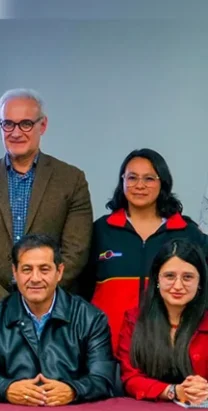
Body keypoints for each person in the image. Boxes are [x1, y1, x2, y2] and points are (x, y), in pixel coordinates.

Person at [0, 88, 93, 334]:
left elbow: (76, 251)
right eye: (8, 124)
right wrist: (7, 307)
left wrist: (39, 300)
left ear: (43, 125)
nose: (16, 132)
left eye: (26, 124)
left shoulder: (71, 180)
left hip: (53, 320)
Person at [0, 234, 116, 405]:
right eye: (27, 269)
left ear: (59, 272)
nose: (35, 278)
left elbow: (103, 378)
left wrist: (73, 390)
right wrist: (7, 389)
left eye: (44, 269)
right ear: (15, 272)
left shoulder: (90, 318)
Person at [86, 149, 206, 353]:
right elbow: (81, 287)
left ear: (163, 183)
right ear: (122, 181)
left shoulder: (186, 232)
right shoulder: (100, 231)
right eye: (132, 177)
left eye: (149, 178)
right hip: (106, 349)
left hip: (169, 351)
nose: (139, 185)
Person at [116, 239, 208, 404]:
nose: (178, 286)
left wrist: (202, 389)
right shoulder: (134, 320)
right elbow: (130, 378)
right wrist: (174, 391)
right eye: (169, 276)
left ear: (200, 282)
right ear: (157, 280)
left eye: (187, 277)